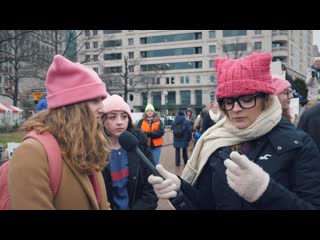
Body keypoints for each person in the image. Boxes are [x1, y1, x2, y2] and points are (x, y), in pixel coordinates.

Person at [148, 52, 320, 210]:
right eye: (228, 101)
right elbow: (206, 203)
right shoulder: (216, 142)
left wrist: (266, 192)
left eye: (246, 99)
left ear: (265, 100)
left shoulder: (298, 144)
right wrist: (180, 190)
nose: (235, 109)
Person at [8, 54, 111, 210]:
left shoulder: (86, 145)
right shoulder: (32, 152)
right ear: (73, 106)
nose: (103, 109)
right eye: (95, 100)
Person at [101, 94, 158, 210]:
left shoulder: (139, 144)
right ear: (102, 121)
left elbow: (151, 186)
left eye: (124, 117)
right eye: (112, 117)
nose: (120, 122)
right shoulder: (93, 150)